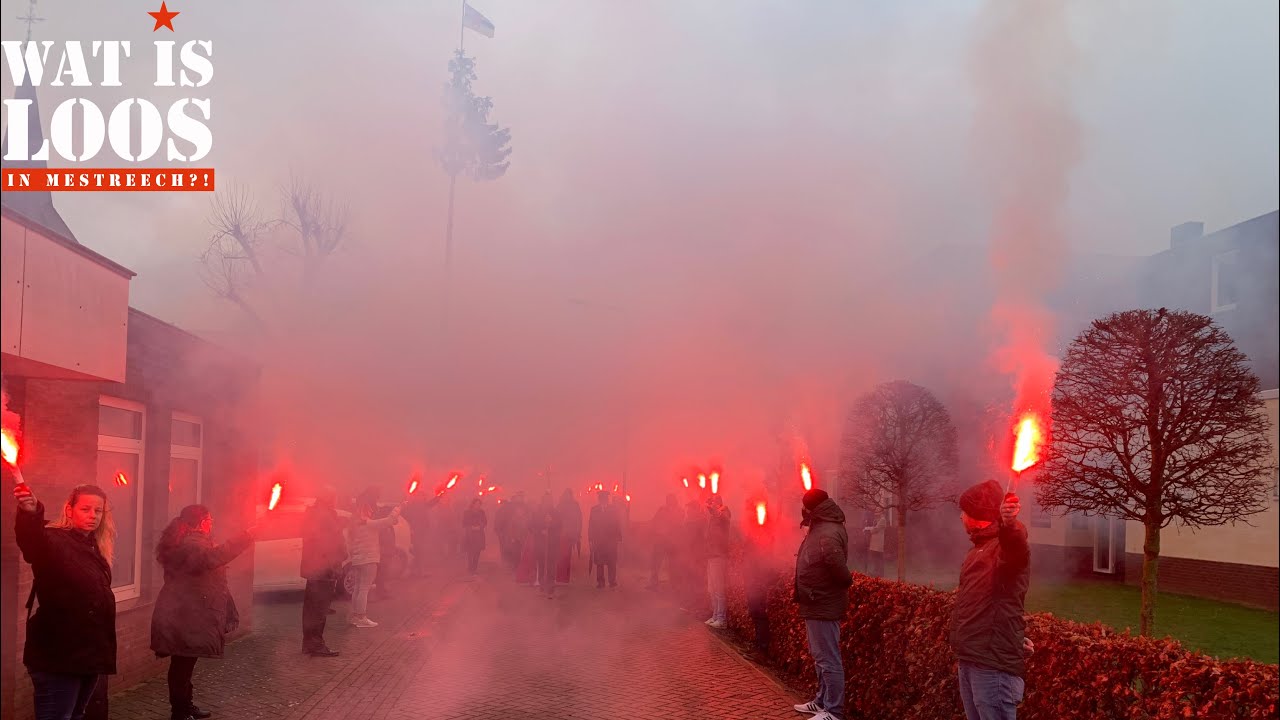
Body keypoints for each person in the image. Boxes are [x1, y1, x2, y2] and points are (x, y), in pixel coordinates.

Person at [13, 483, 116, 720]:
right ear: (69, 510)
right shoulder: (53, 539)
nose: (93, 515)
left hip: (87, 655)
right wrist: (31, 512)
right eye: (85, 509)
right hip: (58, 656)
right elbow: (31, 541)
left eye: (98, 511)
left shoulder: (93, 546)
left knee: (77, 715)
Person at [151, 505, 255, 720]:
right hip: (185, 615)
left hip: (186, 612)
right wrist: (246, 537)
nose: (212, 523)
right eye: (209, 519)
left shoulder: (187, 542)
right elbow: (212, 558)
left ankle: (185, 706)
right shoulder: (191, 544)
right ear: (200, 522)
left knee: (185, 664)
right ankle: (179, 712)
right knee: (181, 666)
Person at [951, 480, 1032, 720]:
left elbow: (1015, 546)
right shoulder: (978, 550)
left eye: (964, 512)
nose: (961, 517)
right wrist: (1012, 636)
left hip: (992, 666)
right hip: (972, 657)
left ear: (977, 516)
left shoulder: (1003, 548)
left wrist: (1010, 524)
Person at [791, 488, 852, 720]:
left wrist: (840, 584)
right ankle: (821, 702)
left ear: (812, 508)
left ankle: (833, 711)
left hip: (823, 602)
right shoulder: (821, 526)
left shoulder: (827, 531)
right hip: (816, 601)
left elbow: (839, 570)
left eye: (805, 507)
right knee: (821, 657)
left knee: (828, 658)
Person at [300, 488, 345, 657]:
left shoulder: (313, 513)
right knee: (319, 609)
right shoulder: (324, 516)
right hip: (324, 569)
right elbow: (329, 544)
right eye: (334, 497)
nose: (336, 500)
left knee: (311, 609)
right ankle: (316, 645)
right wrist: (336, 563)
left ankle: (309, 644)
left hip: (315, 568)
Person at [347, 489, 400, 628]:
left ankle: (355, 616)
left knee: (358, 588)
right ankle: (361, 617)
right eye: (369, 510)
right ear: (365, 511)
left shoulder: (355, 523)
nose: (371, 512)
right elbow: (389, 521)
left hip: (358, 558)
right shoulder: (368, 523)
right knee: (365, 588)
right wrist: (398, 509)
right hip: (369, 558)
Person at [743, 499, 777, 661]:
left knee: (759, 613)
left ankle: (762, 649)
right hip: (752, 578)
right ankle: (758, 645)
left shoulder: (765, 533)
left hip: (759, 579)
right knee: (755, 613)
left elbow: (764, 556)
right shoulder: (753, 532)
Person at [703, 495, 732, 628]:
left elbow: (724, 518)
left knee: (719, 589)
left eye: (713, 502)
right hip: (711, 555)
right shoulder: (713, 516)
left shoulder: (724, 512)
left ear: (719, 503)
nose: (711, 504)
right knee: (712, 589)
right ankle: (715, 616)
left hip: (719, 556)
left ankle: (721, 619)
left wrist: (714, 510)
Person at [529, 492, 562, 597]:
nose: (548, 503)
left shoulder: (556, 513)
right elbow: (531, 526)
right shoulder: (537, 513)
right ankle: (542, 583)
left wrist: (551, 524)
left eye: (549, 500)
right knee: (542, 564)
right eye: (546, 500)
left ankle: (550, 584)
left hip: (552, 543)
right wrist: (541, 531)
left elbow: (560, 525)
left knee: (551, 564)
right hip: (540, 543)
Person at [588, 491, 622, 589]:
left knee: (612, 562)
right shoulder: (594, 510)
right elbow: (591, 525)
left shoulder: (613, 510)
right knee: (599, 562)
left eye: (605, 498)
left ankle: (612, 581)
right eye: (601, 498)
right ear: (599, 499)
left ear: (607, 499)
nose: (603, 500)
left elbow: (617, 523)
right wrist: (590, 539)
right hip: (598, 540)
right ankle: (600, 582)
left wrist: (618, 538)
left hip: (611, 541)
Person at [648, 493, 682, 590]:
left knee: (673, 564)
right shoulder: (662, 510)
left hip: (672, 541)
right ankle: (654, 583)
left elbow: (679, 524)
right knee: (656, 563)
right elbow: (654, 521)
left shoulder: (679, 511)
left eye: (671, 500)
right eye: (668, 500)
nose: (669, 502)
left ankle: (674, 584)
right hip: (661, 540)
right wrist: (656, 532)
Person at [555, 489, 582, 584]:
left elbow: (579, 519)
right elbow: (556, 517)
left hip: (570, 535)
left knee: (567, 556)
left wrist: (577, 532)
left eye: (569, 495)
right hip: (561, 535)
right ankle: (559, 577)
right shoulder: (560, 505)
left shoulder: (575, 505)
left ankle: (565, 578)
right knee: (560, 556)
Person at [461, 498, 487, 577]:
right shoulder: (467, 512)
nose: (477, 505)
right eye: (476, 504)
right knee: (470, 552)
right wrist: (471, 527)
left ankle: (474, 568)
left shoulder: (482, 512)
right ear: (473, 504)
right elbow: (464, 523)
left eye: (479, 504)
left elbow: (485, 522)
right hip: (470, 535)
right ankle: (470, 568)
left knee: (477, 551)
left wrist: (480, 527)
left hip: (479, 534)